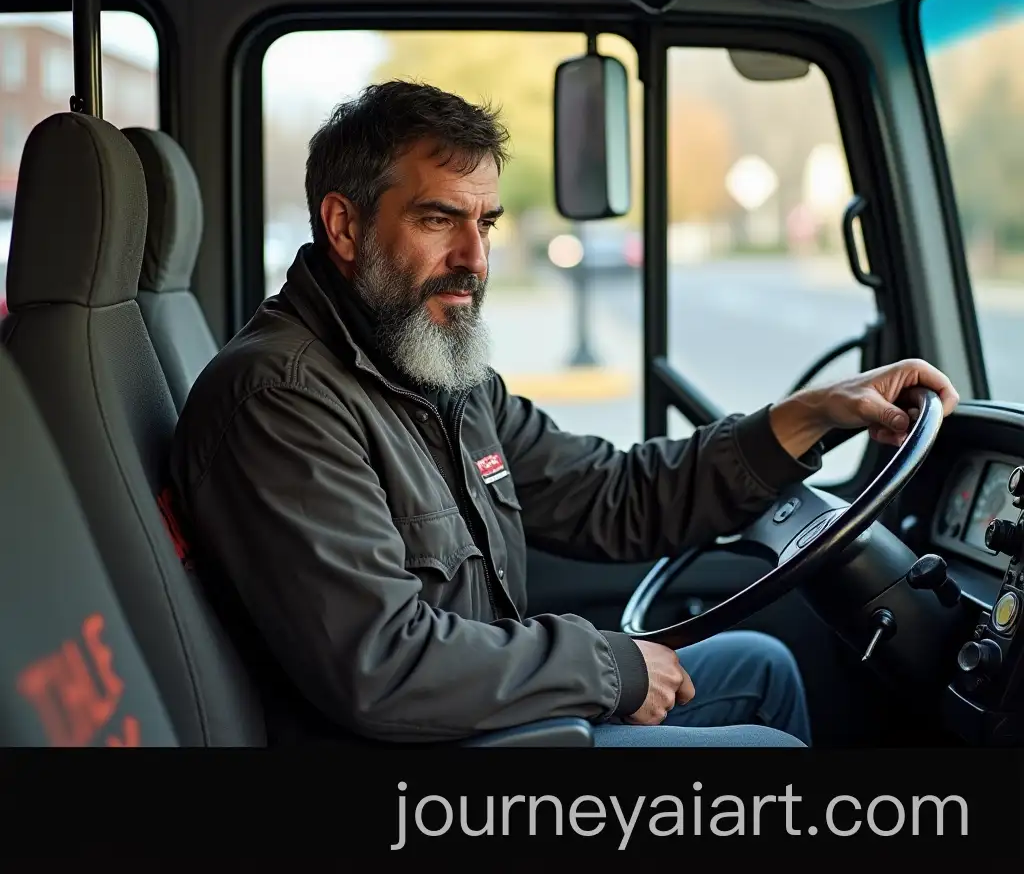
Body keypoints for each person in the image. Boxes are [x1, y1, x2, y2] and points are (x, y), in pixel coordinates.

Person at [168, 80, 959, 748]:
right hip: (424, 765)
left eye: (487, 225)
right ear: (344, 225)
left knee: (757, 663)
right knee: (764, 750)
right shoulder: (280, 399)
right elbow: (382, 663)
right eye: (439, 219)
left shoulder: (434, 372)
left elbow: (609, 495)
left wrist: (812, 415)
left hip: (481, 719)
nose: (475, 260)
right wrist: (607, 667)